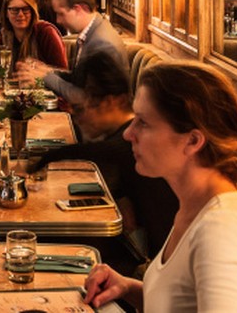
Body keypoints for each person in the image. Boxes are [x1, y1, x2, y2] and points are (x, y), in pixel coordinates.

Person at [82, 62, 237, 311]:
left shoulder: (221, 232)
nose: (128, 133)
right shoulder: (196, 204)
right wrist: (128, 288)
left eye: (143, 123)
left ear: (192, 141)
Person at [32, 53, 177, 259]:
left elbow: (97, 153)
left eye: (84, 106)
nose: (79, 116)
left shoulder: (130, 144)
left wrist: (37, 164)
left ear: (112, 102)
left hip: (148, 259)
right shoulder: (125, 139)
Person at [15, 0, 126, 108]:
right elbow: (79, 79)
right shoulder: (91, 31)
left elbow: (87, 98)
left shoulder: (102, 44)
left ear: (78, 9)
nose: (58, 20)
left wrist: (45, 78)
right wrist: (46, 71)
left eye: (61, 14)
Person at [0, 0, 67, 70]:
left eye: (25, 9)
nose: (20, 14)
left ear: (32, 11)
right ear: (6, 13)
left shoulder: (46, 32)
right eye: (14, 10)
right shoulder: (5, 35)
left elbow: (62, 72)